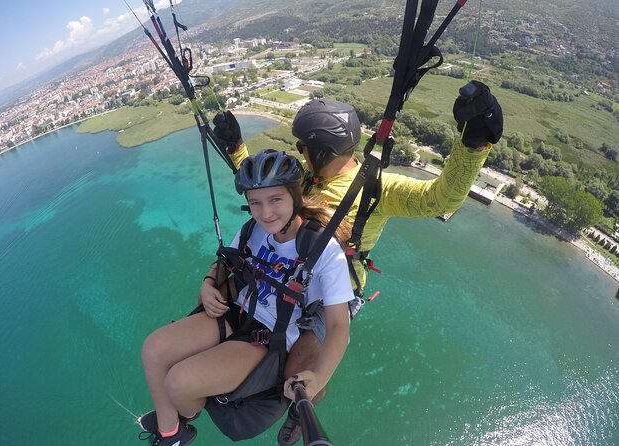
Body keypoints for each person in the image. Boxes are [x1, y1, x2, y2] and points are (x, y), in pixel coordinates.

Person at [212, 80, 503, 445]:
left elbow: (439, 199)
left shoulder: (376, 188)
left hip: (333, 292)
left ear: (320, 150)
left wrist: (474, 144)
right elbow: (268, 197)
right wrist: (238, 151)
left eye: (304, 147)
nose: (300, 152)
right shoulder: (305, 178)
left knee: (299, 371)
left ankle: (304, 410)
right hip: (290, 275)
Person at [139, 149, 355, 445]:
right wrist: (207, 284)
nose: (265, 212)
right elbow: (226, 263)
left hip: (268, 336)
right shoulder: (252, 230)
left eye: (275, 200)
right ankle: (171, 432)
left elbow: (339, 327)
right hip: (237, 312)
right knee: (153, 349)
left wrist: (319, 377)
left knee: (178, 383)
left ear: (295, 197)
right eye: (255, 203)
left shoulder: (323, 250)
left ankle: (184, 414)